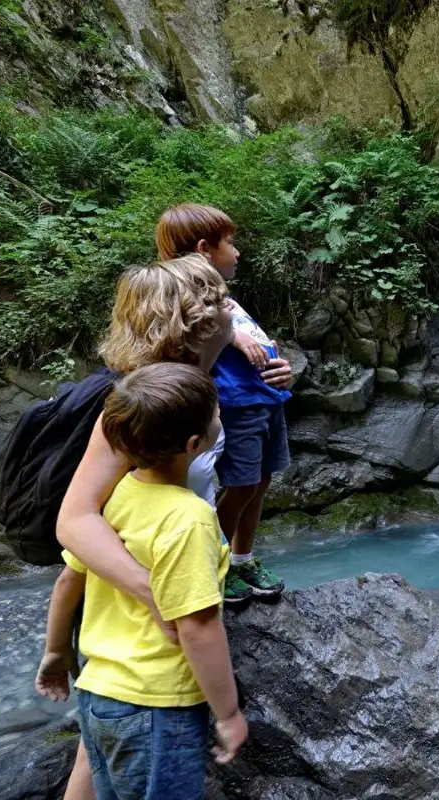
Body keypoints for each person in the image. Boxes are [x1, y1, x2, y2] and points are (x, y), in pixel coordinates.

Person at [36, 254, 236, 800]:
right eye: (220, 300)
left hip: (159, 583)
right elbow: (75, 520)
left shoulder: (189, 381)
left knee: (93, 753)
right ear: (194, 322)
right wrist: (155, 592)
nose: (230, 308)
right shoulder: (143, 401)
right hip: (147, 606)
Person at [156, 203, 292, 604]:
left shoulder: (225, 296)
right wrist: (233, 336)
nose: (237, 252)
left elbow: (257, 344)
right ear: (203, 249)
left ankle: (242, 558)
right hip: (236, 406)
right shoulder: (186, 293)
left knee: (261, 481)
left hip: (265, 399)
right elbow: (198, 327)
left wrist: (282, 368)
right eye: (230, 243)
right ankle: (217, 562)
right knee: (243, 482)